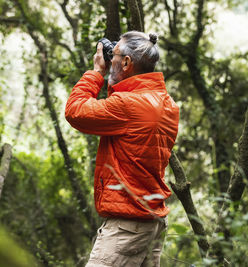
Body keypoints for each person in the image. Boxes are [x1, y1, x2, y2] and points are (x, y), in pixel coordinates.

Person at [64, 31, 180, 267]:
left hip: (127, 226)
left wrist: (97, 72)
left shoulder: (129, 106)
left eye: (114, 55)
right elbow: (123, 119)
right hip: (150, 221)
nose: (110, 59)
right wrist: (115, 78)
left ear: (127, 62)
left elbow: (75, 111)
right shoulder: (166, 104)